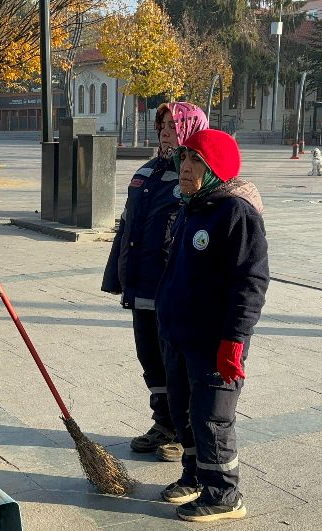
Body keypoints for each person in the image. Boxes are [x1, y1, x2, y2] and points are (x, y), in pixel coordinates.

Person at [155, 129, 269, 523]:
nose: (185, 169)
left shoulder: (236, 213)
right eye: (183, 160)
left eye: (196, 162)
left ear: (216, 168)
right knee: (183, 411)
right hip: (179, 335)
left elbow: (250, 282)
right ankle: (194, 476)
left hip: (214, 341)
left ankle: (224, 494)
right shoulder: (192, 206)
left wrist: (234, 340)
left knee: (212, 417)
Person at [102, 102, 208, 463]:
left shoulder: (196, 176)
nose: (165, 131)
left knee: (176, 362)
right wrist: (117, 274)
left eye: (174, 125)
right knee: (150, 359)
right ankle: (163, 422)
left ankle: (184, 429)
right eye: (162, 125)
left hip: (173, 287)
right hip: (141, 284)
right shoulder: (146, 171)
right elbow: (128, 226)